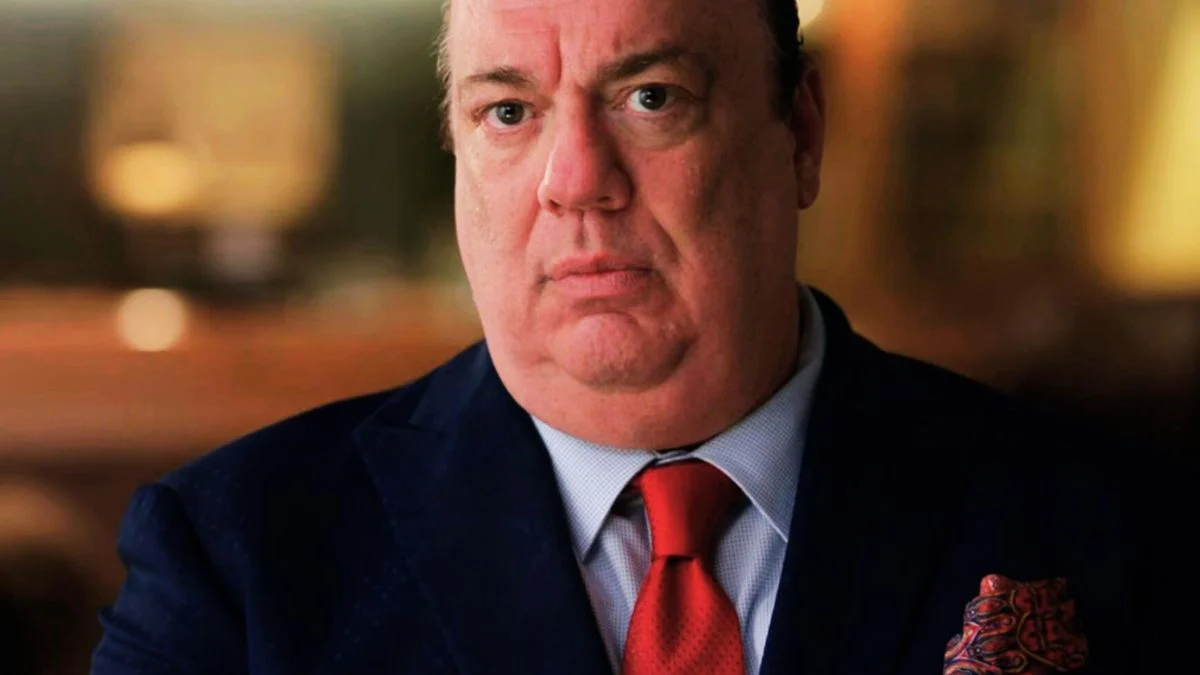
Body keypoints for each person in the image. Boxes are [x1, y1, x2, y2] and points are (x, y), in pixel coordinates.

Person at [92, 0, 1197, 673]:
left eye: (651, 97)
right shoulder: (237, 560)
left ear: (801, 135)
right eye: (509, 113)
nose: (576, 180)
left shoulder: (1115, 525)